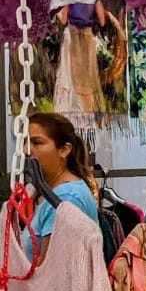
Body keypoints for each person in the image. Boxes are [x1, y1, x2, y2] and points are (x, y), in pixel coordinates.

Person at [22, 112, 99, 262]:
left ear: (64, 149)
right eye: (25, 142)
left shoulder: (65, 198)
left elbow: (50, 269)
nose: (27, 150)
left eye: (37, 143)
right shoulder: (47, 192)